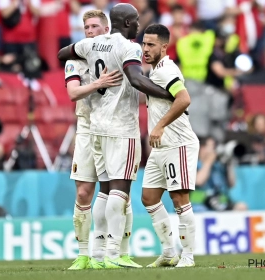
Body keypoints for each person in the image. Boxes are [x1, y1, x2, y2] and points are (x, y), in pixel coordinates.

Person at [58, 3, 173, 268]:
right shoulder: (128, 47)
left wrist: (83, 49)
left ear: (108, 25)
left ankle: (99, 255)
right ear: (126, 23)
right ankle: (112, 254)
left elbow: (63, 52)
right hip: (121, 127)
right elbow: (134, 78)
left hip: (97, 127)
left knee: (106, 191)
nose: (138, 26)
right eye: (135, 21)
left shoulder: (90, 46)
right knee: (120, 191)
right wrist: (167, 94)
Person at [64, 9, 124, 270]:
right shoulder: (74, 60)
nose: (89, 31)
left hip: (115, 128)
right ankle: (83, 254)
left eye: (94, 27)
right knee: (83, 191)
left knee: (118, 192)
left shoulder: (117, 53)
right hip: (87, 127)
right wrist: (98, 82)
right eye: (86, 27)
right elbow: (73, 93)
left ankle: (116, 252)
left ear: (106, 29)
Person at [140, 24, 199, 268]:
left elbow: (184, 98)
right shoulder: (155, 71)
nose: (145, 49)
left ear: (164, 47)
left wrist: (160, 125)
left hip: (178, 143)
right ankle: (168, 252)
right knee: (149, 198)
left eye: (151, 44)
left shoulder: (166, 70)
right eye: (144, 43)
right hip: (161, 146)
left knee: (179, 198)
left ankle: (188, 255)